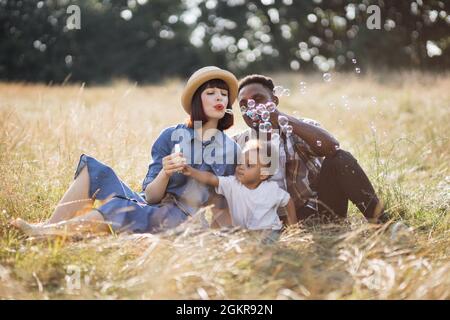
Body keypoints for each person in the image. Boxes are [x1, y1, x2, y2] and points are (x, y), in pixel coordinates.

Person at [11, 66, 241, 237]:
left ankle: (49, 234)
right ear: (196, 101)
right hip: (152, 204)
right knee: (94, 169)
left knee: (119, 206)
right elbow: (150, 196)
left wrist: (219, 239)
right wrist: (165, 172)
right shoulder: (171, 135)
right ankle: (47, 229)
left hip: (182, 219)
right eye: (210, 92)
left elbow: (224, 205)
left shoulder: (231, 149)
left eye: (223, 94)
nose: (219, 97)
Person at [233, 74, 386, 223]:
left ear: (274, 101)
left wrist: (281, 118)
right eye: (244, 105)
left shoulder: (300, 127)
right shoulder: (238, 143)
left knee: (341, 158)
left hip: (317, 212)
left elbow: (332, 148)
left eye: (258, 99)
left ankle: (382, 223)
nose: (251, 108)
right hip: (266, 223)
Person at [181, 139, 298, 231]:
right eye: (240, 162)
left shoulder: (271, 189)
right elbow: (211, 178)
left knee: (262, 244)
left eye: (249, 165)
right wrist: (192, 172)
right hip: (245, 232)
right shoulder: (232, 183)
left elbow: (288, 201)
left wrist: (293, 225)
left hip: (270, 232)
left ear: (263, 175)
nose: (241, 166)